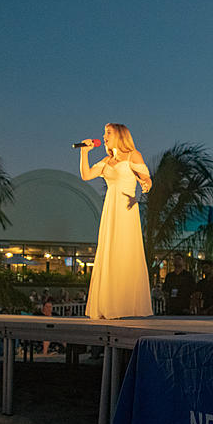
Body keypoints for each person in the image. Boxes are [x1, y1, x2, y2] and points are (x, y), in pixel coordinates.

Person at [80, 123, 154, 319]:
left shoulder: (133, 155)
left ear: (120, 135)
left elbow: (147, 179)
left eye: (109, 132)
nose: (104, 136)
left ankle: (125, 305)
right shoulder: (106, 161)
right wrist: (84, 152)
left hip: (126, 208)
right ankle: (109, 306)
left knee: (124, 251)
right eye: (104, 132)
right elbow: (86, 175)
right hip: (110, 209)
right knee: (110, 251)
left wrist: (144, 185)